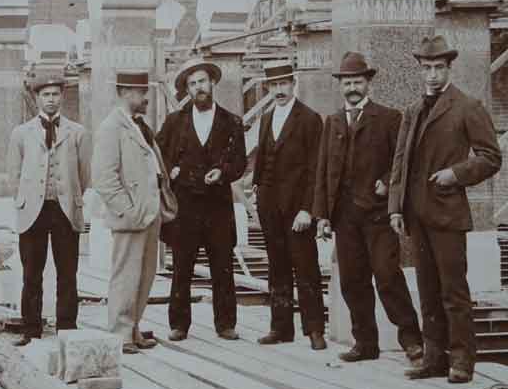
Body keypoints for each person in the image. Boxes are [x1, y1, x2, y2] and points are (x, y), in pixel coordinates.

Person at [389, 36, 501, 383]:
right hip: (417, 215)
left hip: (448, 214)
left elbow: (491, 157)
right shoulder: (413, 110)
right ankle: (433, 357)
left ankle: (462, 360)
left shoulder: (467, 106)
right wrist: (395, 207)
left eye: (439, 68)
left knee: (453, 290)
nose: (433, 75)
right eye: (427, 68)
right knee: (427, 288)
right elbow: (400, 162)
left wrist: (457, 173)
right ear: (420, 70)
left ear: (449, 68)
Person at [314, 52, 423, 363]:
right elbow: (323, 171)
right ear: (340, 86)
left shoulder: (389, 119)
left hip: (377, 216)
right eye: (347, 82)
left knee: (388, 276)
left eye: (358, 82)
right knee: (352, 280)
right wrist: (322, 214)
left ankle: (412, 340)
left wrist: (388, 182)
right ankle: (365, 343)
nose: (352, 88)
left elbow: (404, 161)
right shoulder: (332, 122)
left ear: (368, 84)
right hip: (344, 218)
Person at [156, 58, 247, 341]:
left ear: (212, 83)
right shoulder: (174, 122)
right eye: (193, 84)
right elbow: (157, 153)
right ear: (187, 90)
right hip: (185, 207)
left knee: (222, 264)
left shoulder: (231, 122)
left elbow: (240, 162)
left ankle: (226, 323)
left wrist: (223, 172)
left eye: (203, 82)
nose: (199, 88)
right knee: (182, 265)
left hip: (218, 206)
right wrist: (170, 170)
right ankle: (179, 324)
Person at [92, 71, 178, 354]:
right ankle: (120, 333)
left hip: (149, 213)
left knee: (145, 274)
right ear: (127, 92)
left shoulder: (140, 125)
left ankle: (133, 328)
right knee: (126, 275)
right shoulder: (111, 128)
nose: (146, 99)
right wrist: (128, 212)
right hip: (133, 217)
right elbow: (104, 179)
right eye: (142, 93)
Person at [7, 77, 91, 346]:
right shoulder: (21, 133)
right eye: (46, 94)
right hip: (33, 211)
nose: (51, 99)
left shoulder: (78, 132)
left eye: (55, 94)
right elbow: (14, 174)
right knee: (31, 272)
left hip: (65, 210)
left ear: (62, 97)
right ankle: (31, 329)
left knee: (68, 272)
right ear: (37, 98)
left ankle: (67, 327)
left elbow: (84, 174)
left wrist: (70, 195)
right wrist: (25, 199)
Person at [252, 60, 327, 350]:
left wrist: (308, 209)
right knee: (277, 267)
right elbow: (262, 161)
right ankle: (281, 328)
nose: (279, 90)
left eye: (284, 84)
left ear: (293, 84)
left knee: (305, 268)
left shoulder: (309, 119)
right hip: (270, 208)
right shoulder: (267, 118)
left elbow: (315, 169)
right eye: (274, 85)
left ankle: (315, 330)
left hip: (298, 211)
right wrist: (258, 197)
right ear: (268, 88)